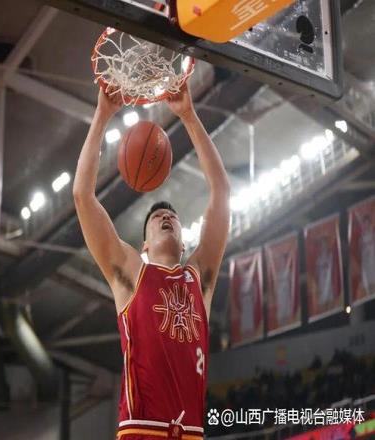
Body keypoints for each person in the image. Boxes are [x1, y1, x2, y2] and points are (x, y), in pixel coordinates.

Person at [73, 82, 230, 440]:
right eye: (157, 217)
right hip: (142, 430)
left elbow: (221, 192)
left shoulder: (200, 279)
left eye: (172, 216)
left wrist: (188, 116)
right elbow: (82, 195)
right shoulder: (131, 273)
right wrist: (102, 115)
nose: (166, 217)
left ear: (183, 240)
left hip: (192, 433)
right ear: (143, 244)